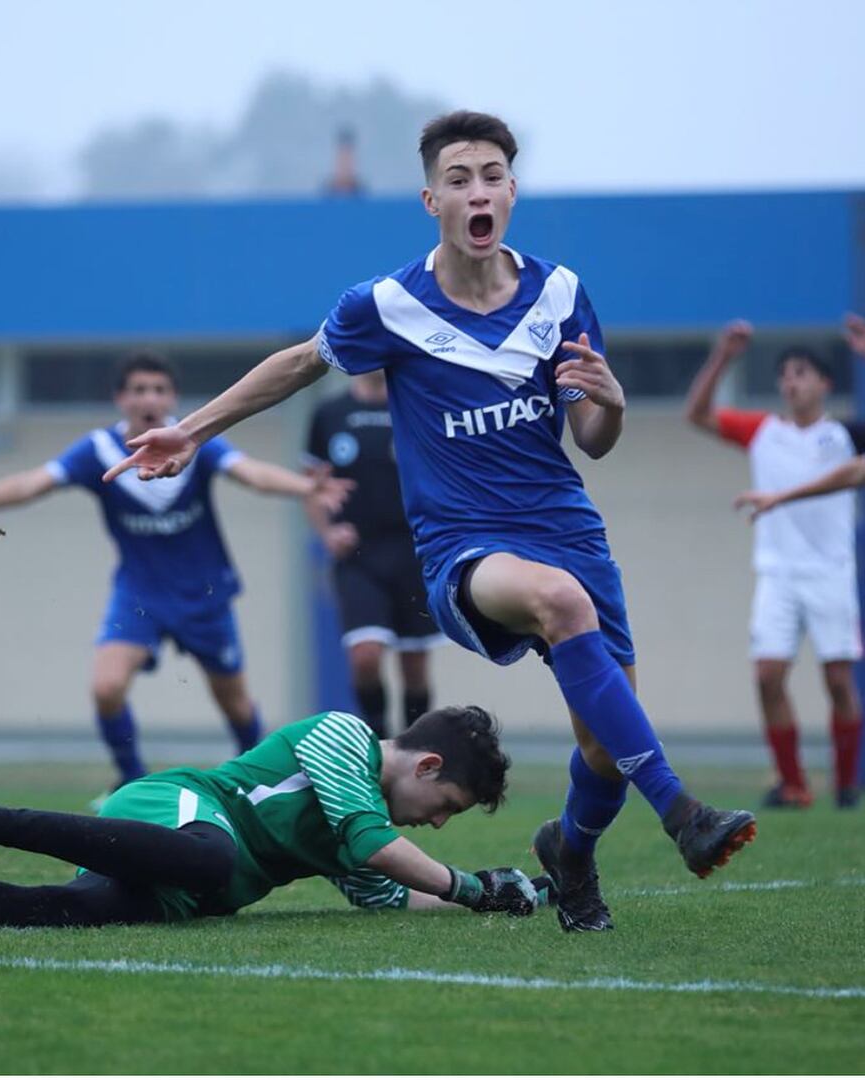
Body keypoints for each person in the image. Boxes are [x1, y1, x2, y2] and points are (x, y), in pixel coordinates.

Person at [98, 110, 757, 933]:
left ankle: (572, 851)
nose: (477, 191)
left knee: (602, 747)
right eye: (458, 179)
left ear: (511, 192)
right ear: (430, 200)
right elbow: (299, 365)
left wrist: (612, 405)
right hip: (464, 550)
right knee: (562, 604)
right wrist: (190, 431)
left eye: (491, 176)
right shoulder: (387, 304)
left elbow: (591, 437)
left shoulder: (560, 295)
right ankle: (684, 814)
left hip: (569, 532)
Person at [0, 351, 351, 790]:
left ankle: (256, 785)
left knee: (236, 706)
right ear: (121, 398)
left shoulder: (194, 441)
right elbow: (32, 484)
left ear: (172, 398)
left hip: (204, 593)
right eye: (139, 389)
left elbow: (250, 472)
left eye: (159, 389)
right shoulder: (98, 451)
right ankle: (129, 781)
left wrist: (305, 487)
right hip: (140, 593)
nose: (150, 398)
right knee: (106, 687)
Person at [0, 705, 558, 933]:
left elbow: (396, 890)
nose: (438, 826)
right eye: (447, 808)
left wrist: (518, 889)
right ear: (427, 767)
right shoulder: (344, 738)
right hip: (183, 812)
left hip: (194, 877)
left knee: (77, 910)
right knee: (211, 861)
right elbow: (376, 845)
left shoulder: (371, 835)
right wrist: (471, 885)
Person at [685, 314, 865, 810]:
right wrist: (723, 356)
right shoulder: (763, 430)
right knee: (767, 677)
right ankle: (794, 785)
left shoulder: (846, 434)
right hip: (778, 575)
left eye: (802, 372)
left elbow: (855, 473)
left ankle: (847, 785)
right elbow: (697, 414)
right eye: (785, 373)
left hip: (831, 572)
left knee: (837, 681)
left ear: (825, 383)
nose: (790, 381)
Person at [304, 369, 446, 737]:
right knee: (365, 656)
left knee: (414, 666)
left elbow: (444, 473)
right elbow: (313, 485)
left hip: (413, 553)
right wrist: (327, 531)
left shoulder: (416, 408)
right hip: (358, 557)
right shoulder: (330, 412)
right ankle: (379, 742)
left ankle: (415, 749)